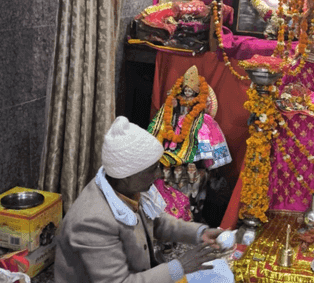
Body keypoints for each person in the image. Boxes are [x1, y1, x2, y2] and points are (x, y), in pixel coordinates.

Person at [54, 116, 234, 283]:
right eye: (152, 170)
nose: (159, 175)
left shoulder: (125, 188)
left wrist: (199, 233)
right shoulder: (92, 222)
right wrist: (180, 267)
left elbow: (157, 222)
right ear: (126, 175)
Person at [149, 65, 232, 170]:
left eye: (190, 91)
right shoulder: (180, 98)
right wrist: (173, 101)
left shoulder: (197, 100)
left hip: (192, 120)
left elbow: (200, 109)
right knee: (173, 125)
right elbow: (174, 106)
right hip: (180, 118)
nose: (188, 93)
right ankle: (171, 146)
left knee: (198, 132)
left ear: (194, 92)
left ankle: (194, 156)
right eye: (186, 91)